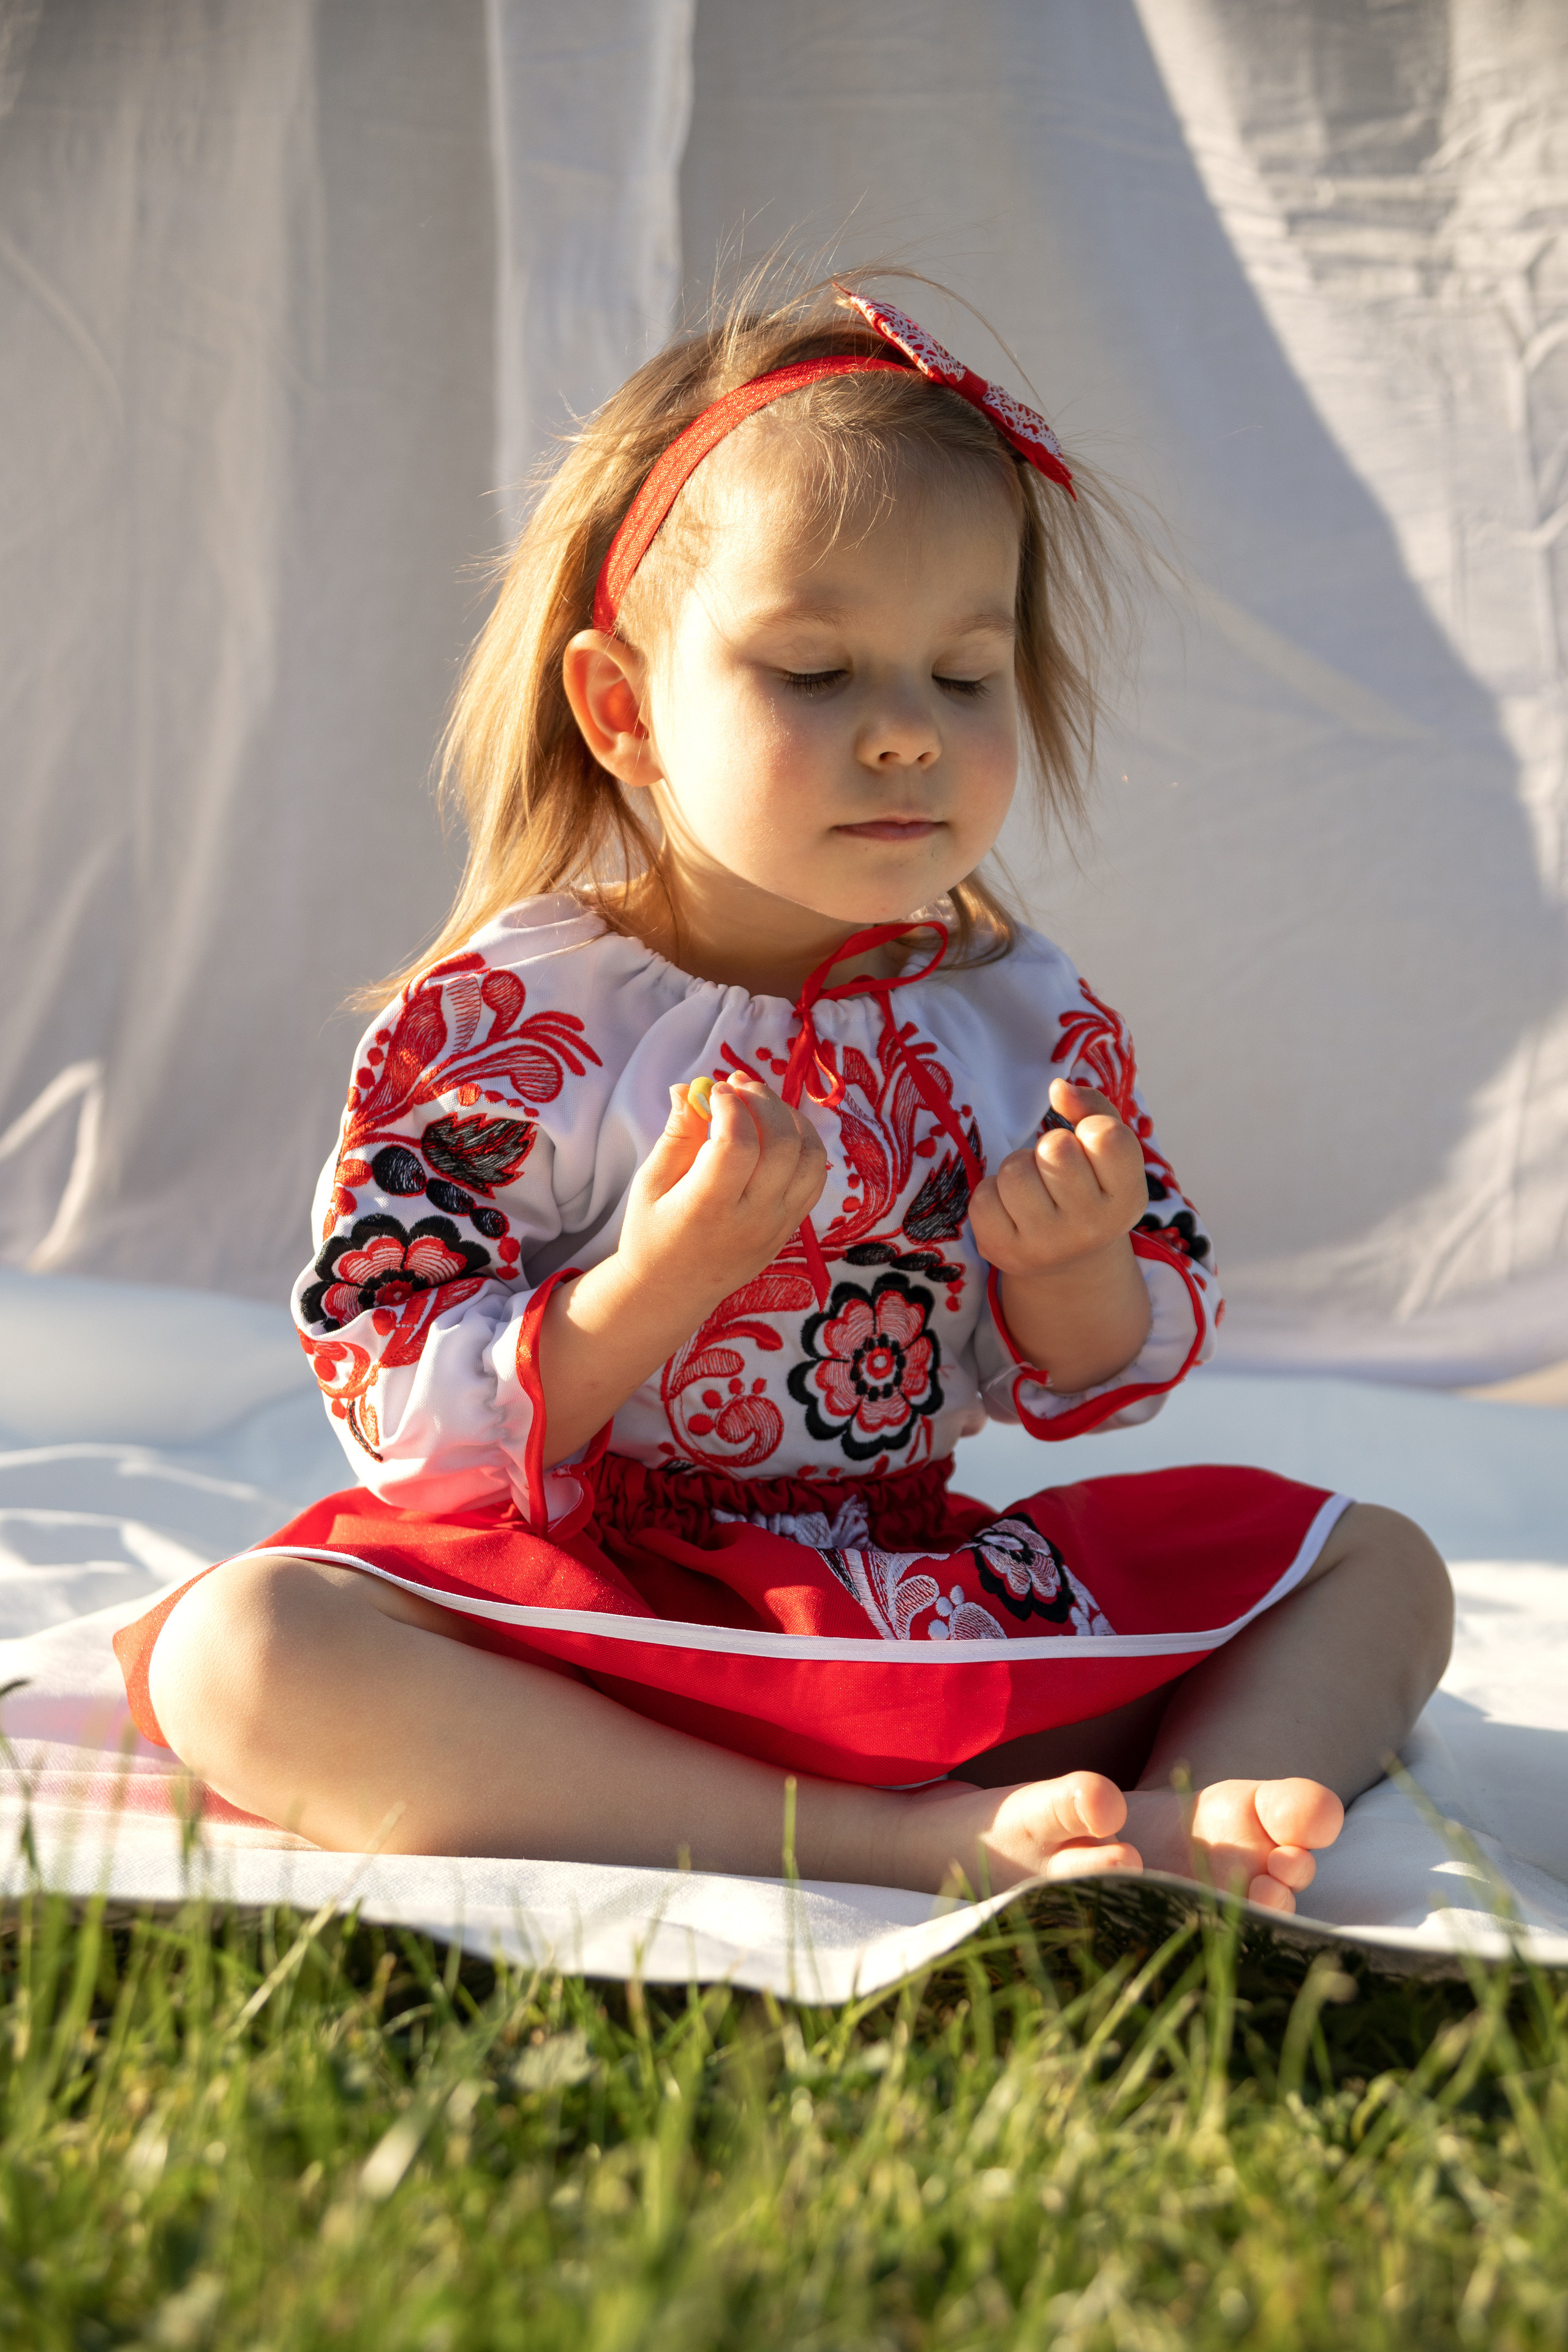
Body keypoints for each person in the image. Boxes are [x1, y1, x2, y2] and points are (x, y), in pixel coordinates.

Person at [113, 274, 1453, 1913]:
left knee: (1376, 1562)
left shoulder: (1017, 1022)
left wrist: (1071, 1273)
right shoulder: (517, 1020)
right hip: (603, 1621)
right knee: (248, 1652)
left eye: (963, 677)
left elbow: (1096, 1384)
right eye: (814, 673)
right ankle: (896, 1842)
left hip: (906, 1592)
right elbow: (404, 1410)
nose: (904, 736)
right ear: (625, 713)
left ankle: (1194, 1822)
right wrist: (650, 1285)